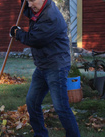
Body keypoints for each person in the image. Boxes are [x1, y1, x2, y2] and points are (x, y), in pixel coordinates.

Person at [10, 0, 80, 136]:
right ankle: (40, 134)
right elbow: (26, 8)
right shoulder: (38, 8)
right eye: (28, 1)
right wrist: (27, 2)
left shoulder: (50, 17)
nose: (30, 5)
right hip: (43, 66)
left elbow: (34, 39)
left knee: (61, 107)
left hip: (56, 66)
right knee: (32, 102)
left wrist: (17, 33)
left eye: (32, 1)